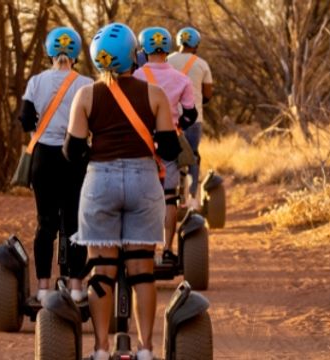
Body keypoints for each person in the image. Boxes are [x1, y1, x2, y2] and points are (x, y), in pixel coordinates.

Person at [65, 22, 180, 360]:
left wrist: (98, 152)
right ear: (134, 55)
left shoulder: (86, 95)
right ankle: (144, 350)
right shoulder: (154, 94)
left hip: (101, 180)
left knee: (102, 270)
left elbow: (73, 152)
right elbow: (171, 149)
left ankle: (101, 349)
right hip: (144, 180)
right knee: (141, 268)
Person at [19, 26, 95, 305]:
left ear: (49, 52)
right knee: (75, 222)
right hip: (74, 158)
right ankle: (76, 288)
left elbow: (26, 118)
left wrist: (38, 135)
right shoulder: (86, 83)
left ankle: (42, 288)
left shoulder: (36, 82)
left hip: (43, 158)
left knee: (46, 224)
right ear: (75, 54)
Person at [133, 27, 198, 265]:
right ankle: (168, 250)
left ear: (143, 49)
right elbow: (191, 114)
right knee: (169, 198)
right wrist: (177, 125)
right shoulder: (182, 79)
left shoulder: (136, 77)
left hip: (140, 143)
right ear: (168, 47)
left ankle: (145, 252)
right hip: (169, 141)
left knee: (142, 200)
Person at [167, 27, 214, 203]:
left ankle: (173, 194)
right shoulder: (202, 64)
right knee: (193, 156)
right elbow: (208, 95)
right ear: (196, 44)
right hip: (194, 120)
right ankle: (192, 198)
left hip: (169, 119)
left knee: (171, 157)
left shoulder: (167, 61)